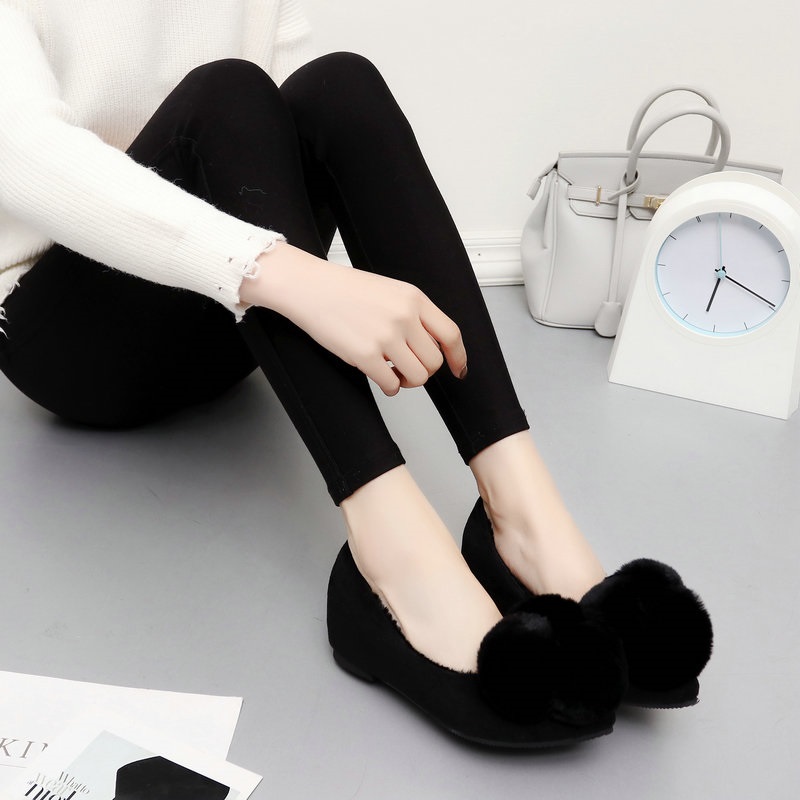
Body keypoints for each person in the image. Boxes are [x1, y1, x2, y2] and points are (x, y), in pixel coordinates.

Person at [0, 0, 711, 747]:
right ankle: (394, 554)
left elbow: (271, 136)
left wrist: (285, 270)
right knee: (225, 91)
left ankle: (521, 515)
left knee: (338, 86)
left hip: (229, 326)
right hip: (74, 344)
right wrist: (291, 277)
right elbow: (19, 149)